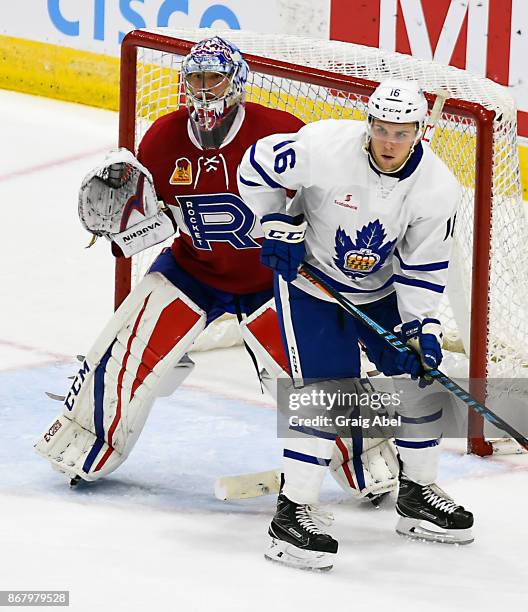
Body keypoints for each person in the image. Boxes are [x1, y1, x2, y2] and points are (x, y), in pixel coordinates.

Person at [34, 36, 397, 503]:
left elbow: (326, 200)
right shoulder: (163, 138)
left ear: (237, 82)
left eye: (215, 78)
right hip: (194, 271)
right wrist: (123, 228)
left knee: (317, 372)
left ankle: (374, 461)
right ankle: (86, 444)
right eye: (196, 79)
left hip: (273, 279)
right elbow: (151, 225)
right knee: (125, 346)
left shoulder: (279, 132)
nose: (204, 91)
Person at [238, 78, 474, 571]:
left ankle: (416, 494)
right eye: (382, 129)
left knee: (418, 376)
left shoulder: (437, 187)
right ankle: (293, 512)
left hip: (383, 290)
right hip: (312, 284)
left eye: (402, 132)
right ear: (369, 124)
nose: (390, 142)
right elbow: (255, 165)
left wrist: (420, 330)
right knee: (327, 391)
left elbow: (423, 268)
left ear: (419, 132)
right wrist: (272, 223)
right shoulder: (324, 146)